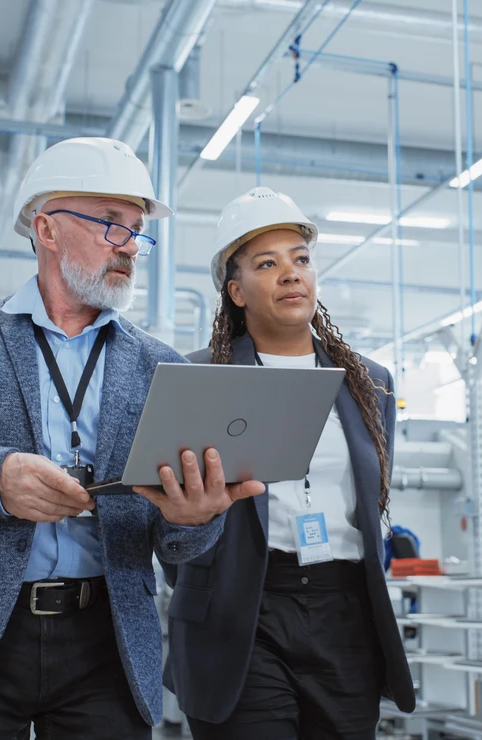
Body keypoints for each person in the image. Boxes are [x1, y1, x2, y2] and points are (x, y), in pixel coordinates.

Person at [0, 137, 264, 739]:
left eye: (137, 232)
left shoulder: (161, 367)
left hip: (108, 643)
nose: (130, 247)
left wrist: (195, 519)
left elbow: (175, 545)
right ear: (46, 229)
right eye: (111, 224)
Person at [163, 187, 415, 739]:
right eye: (267, 264)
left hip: (344, 611)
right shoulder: (199, 377)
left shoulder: (369, 382)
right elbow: (171, 516)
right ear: (235, 291)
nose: (290, 274)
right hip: (239, 612)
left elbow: (371, 499)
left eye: (300, 259)